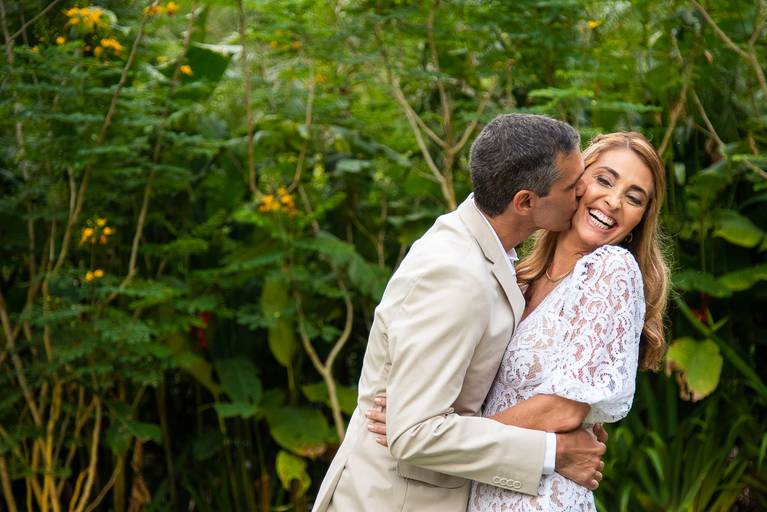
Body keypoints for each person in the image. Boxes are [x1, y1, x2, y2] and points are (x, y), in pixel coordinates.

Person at [312, 114, 607, 512]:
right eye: (572, 186)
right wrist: (553, 451)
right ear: (525, 202)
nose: (584, 190)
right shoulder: (456, 275)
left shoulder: (483, 246)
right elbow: (414, 434)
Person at [366, 132, 670, 511]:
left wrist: (432, 435)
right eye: (604, 180)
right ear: (575, 182)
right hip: (483, 490)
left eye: (634, 198)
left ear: (642, 217)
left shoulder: (610, 270)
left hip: (541, 498)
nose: (613, 201)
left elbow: (564, 408)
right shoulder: (518, 277)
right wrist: (423, 420)